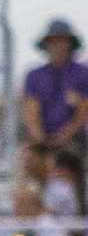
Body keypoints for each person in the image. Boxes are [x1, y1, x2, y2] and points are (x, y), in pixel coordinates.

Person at [21, 18, 88, 153]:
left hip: (75, 141)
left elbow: (83, 112)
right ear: (46, 44)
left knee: (70, 157)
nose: (58, 45)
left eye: (62, 40)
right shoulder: (34, 76)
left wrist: (64, 136)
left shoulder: (83, 74)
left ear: (71, 44)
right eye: (53, 41)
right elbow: (31, 113)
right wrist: (41, 140)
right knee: (27, 156)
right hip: (41, 143)